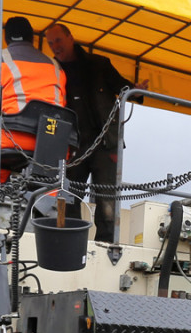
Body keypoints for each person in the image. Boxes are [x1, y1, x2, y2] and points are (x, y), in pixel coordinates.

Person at [43, 22, 131, 235]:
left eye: (58, 40)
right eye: (50, 43)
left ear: (70, 38)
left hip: (104, 143)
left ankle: (106, 246)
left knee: (107, 200)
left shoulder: (99, 64)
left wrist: (138, 90)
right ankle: (70, 240)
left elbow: (123, 87)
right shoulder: (51, 71)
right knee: (67, 196)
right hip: (72, 145)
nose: (55, 46)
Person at [0, 16, 66, 186]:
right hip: (52, 140)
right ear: (32, 38)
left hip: (14, 140)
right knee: (49, 184)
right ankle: (49, 206)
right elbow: (61, 105)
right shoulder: (56, 67)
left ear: (6, 38)